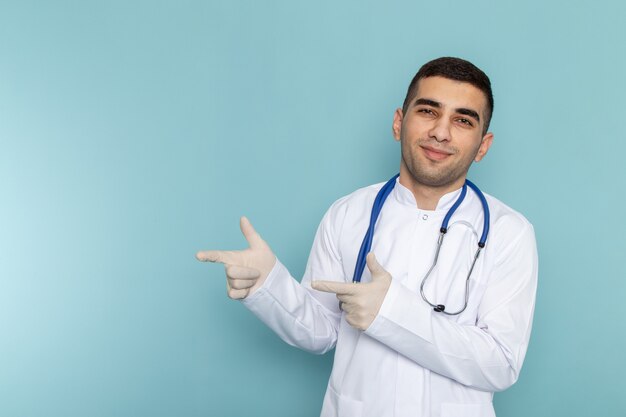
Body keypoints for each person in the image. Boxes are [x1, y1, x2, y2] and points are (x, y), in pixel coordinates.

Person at [197, 57, 538, 417]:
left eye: (462, 120)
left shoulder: (508, 232)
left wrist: (390, 312)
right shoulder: (347, 214)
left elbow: (501, 363)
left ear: (482, 146)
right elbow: (322, 332)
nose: (441, 132)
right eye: (427, 111)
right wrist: (268, 285)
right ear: (398, 123)